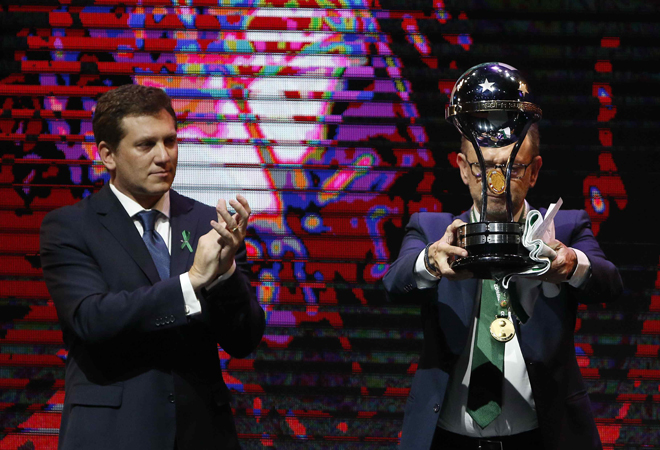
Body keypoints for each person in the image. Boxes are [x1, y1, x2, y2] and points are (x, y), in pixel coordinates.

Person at [40, 84, 266, 450]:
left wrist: (225, 275)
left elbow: (244, 340)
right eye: (146, 145)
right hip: (112, 434)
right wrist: (191, 283)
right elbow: (91, 319)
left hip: (202, 434)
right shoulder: (70, 226)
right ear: (108, 155)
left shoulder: (206, 221)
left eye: (171, 141)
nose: (164, 156)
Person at [383, 125, 623, 450]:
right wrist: (428, 261)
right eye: (482, 168)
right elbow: (393, 284)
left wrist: (569, 265)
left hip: (543, 438)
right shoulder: (433, 230)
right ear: (464, 169)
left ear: (534, 171)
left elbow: (610, 284)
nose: (495, 180)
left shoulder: (566, 227)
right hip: (447, 439)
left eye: (511, 167)